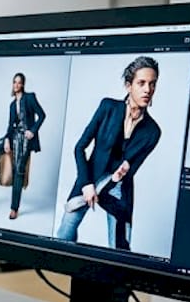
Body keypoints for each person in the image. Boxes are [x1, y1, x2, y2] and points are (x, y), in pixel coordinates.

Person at [56, 56, 163, 251]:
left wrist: (120, 174)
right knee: (65, 232)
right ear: (128, 85)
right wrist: (87, 184)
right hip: (90, 176)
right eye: (141, 83)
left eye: (152, 84)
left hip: (118, 187)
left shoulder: (153, 131)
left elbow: (132, 169)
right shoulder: (108, 107)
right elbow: (80, 148)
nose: (148, 89)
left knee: (120, 247)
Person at [0, 72, 45, 220]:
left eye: (19, 82)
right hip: (14, 135)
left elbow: (42, 115)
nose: (16, 85)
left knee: (18, 170)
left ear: (23, 84)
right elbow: (10, 125)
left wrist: (33, 131)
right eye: (14, 82)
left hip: (25, 138)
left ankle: (14, 208)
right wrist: (6, 140)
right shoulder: (12, 105)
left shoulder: (30, 98)